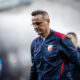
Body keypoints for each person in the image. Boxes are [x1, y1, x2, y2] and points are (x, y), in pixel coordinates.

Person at [30, 10, 80, 80]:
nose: (35, 27)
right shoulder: (34, 43)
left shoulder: (61, 39)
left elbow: (77, 59)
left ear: (48, 21)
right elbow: (34, 69)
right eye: (33, 24)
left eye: (38, 23)